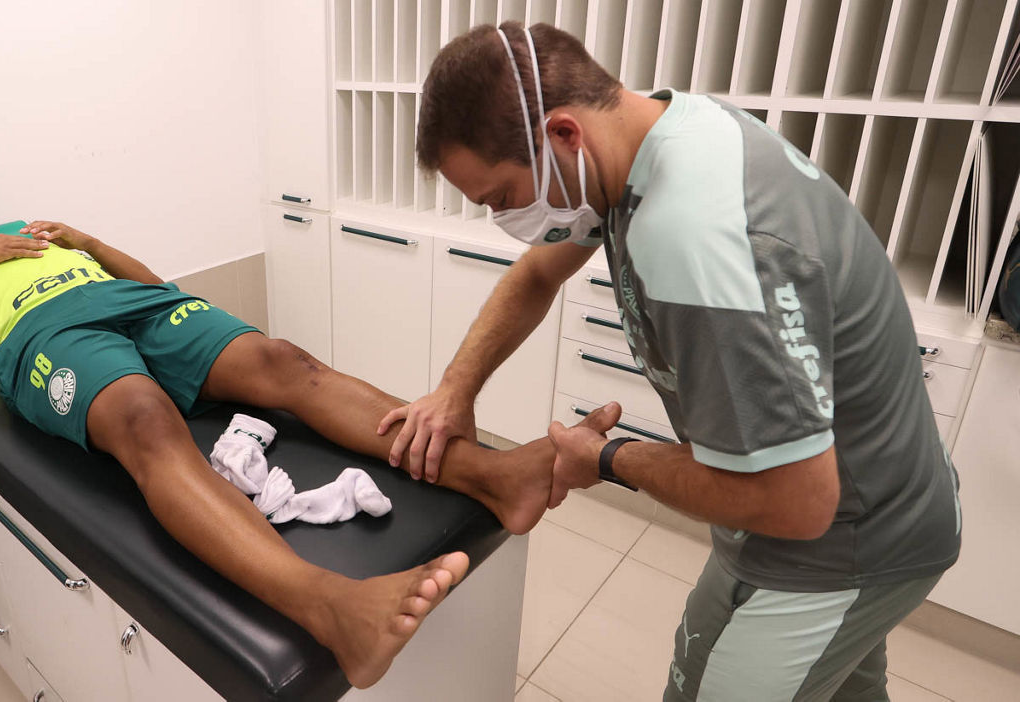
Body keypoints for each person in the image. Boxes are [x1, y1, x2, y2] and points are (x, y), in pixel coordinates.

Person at [390, 22, 962, 700]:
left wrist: (607, 458)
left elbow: (797, 503)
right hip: (894, 496)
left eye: (502, 198)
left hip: (844, 539)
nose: (503, 219)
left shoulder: (694, 235)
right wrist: (455, 390)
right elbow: (537, 274)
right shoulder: (654, 134)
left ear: (564, 134)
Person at [0, 177, 556, 688]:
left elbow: (156, 286)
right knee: (146, 417)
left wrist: (86, 244)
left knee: (283, 359)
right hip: (46, 335)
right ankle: (329, 606)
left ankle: (492, 475)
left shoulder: (39, 241)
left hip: (136, 305)